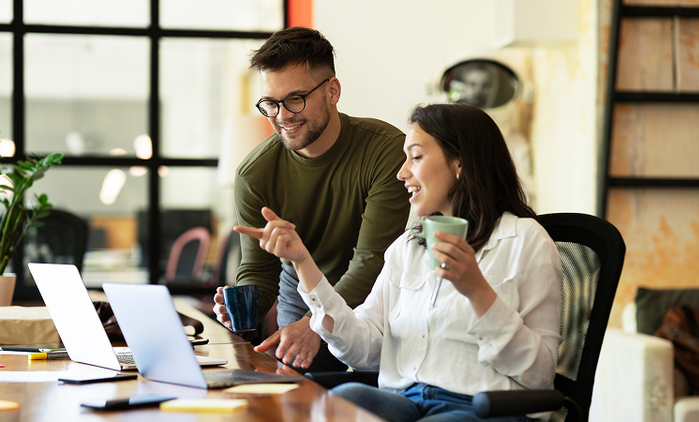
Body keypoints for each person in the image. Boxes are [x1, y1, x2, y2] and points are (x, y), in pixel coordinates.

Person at [235, 102, 563, 422]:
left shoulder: (525, 241)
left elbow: (539, 372)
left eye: (416, 157)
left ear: (459, 162)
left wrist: (476, 290)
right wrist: (303, 262)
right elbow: (364, 347)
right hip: (406, 400)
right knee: (345, 401)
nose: (401, 172)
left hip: (485, 407)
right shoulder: (409, 247)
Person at [212, 27, 411, 372]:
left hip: (379, 290)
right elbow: (259, 271)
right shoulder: (254, 174)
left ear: (332, 91)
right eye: (270, 103)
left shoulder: (386, 150)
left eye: (295, 99)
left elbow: (371, 261)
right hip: (302, 290)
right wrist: (240, 305)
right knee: (303, 392)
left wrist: (317, 323)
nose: (282, 115)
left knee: (368, 387)